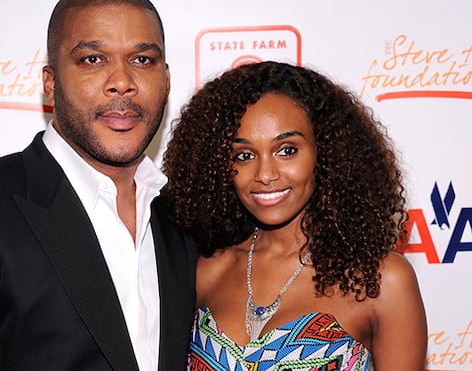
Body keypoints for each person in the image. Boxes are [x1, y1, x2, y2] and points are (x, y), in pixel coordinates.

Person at [0, 0, 196, 370]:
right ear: (51, 83)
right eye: (92, 59)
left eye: (141, 59)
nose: (121, 82)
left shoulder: (182, 221)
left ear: (165, 79)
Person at [162, 61, 427, 370]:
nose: (265, 174)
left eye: (286, 150)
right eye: (244, 156)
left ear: (325, 153)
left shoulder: (381, 280)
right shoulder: (207, 268)